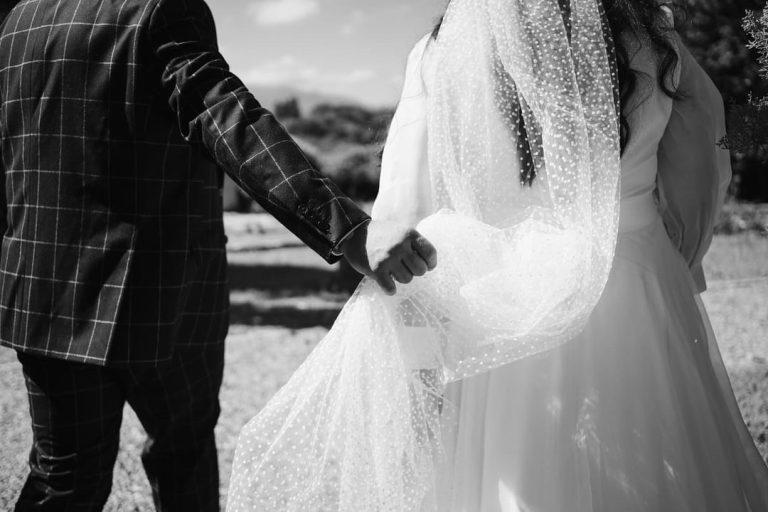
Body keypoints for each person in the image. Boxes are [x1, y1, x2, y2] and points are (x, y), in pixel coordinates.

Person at [226, 0, 768, 510]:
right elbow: (702, 165)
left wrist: (418, 351)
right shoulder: (652, 40)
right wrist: (671, 258)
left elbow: (408, 204)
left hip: (496, 302)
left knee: (514, 469)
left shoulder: (445, 50)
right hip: (634, 285)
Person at [0, 0, 436, 510]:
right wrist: (350, 229)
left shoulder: (16, 20)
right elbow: (227, 118)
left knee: (64, 477)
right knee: (182, 459)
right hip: (163, 293)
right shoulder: (159, 9)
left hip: (42, 292)